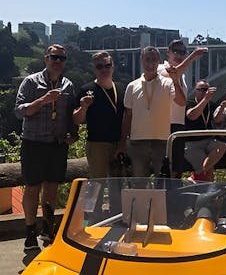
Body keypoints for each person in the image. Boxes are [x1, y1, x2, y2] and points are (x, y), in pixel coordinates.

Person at [15, 44, 78, 250]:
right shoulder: (31, 81)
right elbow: (20, 110)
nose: (58, 61)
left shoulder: (68, 85)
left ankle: (47, 228)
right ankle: (30, 231)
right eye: (54, 57)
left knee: (52, 187)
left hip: (57, 144)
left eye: (61, 58)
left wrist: (73, 134)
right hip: (33, 143)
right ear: (46, 59)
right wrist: (43, 100)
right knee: (32, 188)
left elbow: (70, 114)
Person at [118, 46, 186, 177]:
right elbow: (128, 116)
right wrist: (122, 142)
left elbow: (182, 102)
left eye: (154, 60)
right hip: (137, 142)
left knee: (162, 183)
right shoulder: (132, 86)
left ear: (158, 61)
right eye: (147, 59)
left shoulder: (168, 83)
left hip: (162, 142)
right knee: (138, 183)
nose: (150, 63)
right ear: (141, 60)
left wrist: (175, 80)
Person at [72, 51, 125, 215]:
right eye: (99, 66)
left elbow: (127, 118)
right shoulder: (86, 90)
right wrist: (84, 107)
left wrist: (123, 143)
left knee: (118, 184)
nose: (104, 69)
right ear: (94, 69)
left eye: (107, 65)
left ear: (113, 66)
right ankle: (92, 219)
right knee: (97, 185)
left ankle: (119, 217)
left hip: (119, 144)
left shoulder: (121, 88)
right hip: (96, 144)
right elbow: (76, 119)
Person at [158, 40, 207, 177]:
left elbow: (178, 74)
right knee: (166, 167)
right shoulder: (161, 68)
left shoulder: (183, 77)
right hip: (166, 125)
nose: (179, 54)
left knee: (176, 168)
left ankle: (173, 196)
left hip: (179, 125)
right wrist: (193, 56)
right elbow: (174, 73)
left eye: (182, 52)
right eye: (175, 51)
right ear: (167, 53)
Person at [184, 80, 226, 182]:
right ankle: (203, 185)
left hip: (208, 141)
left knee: (222, 146)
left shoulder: (210, 105)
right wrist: (206, 99)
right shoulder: (190, 102)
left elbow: (217, 120)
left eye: (207, 90)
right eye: (202, 90)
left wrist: (222, 108)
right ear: (195, 91)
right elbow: (192, 116)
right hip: (192, 143)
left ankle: (197, 174)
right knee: (209, 172)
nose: (205, 92)